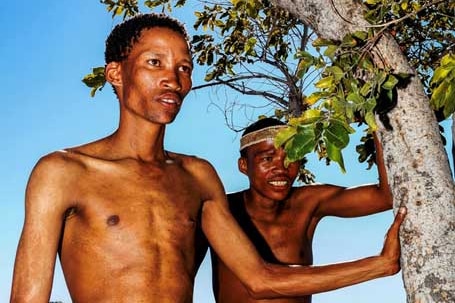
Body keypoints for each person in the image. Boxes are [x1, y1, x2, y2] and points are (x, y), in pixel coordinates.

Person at [10, 13, 406, 303]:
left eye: (183, 68)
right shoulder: (62, 172)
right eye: (155, 63)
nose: (173, 78)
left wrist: (379, 265)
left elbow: (260, 279)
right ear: (115, 73)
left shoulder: (198, 176)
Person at [211, 117, 396, 303]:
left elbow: (386, 197)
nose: (281, 168)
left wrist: (375, 121)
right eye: (267, 159)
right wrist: (381, 263)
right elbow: (260, 283)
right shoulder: (221, 210)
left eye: (291, 158)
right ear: (244, 165)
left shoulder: (308, 202)